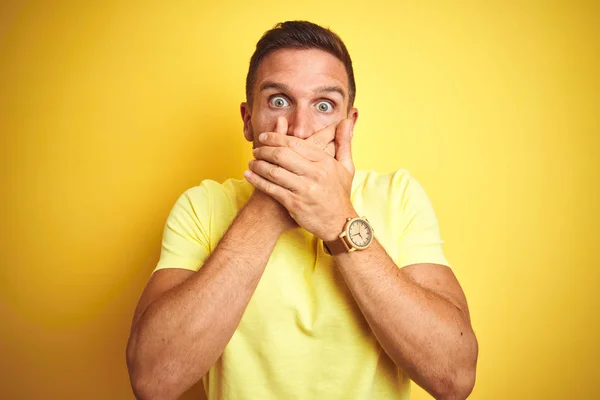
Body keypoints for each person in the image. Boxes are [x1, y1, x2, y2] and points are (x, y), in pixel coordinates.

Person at [126, 20, 478, 400]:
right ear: (248, 120)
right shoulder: (203, 206)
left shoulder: (399, 196)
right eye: (279, 101)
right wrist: (268, 209)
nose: (299, 128)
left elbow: (455, 378)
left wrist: (340, 220)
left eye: (324, 105)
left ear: (349, 124)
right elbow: (153, 381)